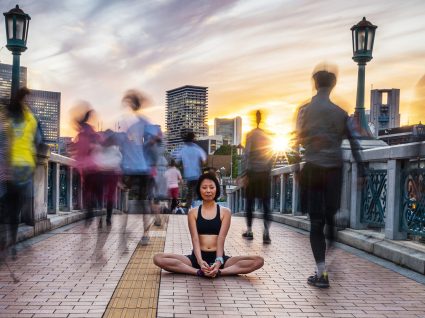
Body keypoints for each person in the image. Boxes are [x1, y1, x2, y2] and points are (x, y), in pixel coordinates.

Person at [295, 65, 364, 288]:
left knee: (316, 223)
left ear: (315, 84)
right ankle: (331, 249)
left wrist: (297, 169)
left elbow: (296, 141)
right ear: (333, 85)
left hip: (314, 168)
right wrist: (361, 171)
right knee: (329, 217)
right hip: (335, 169)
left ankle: (321, 272)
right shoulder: (341, 113)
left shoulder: (304, 111)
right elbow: (354, 142)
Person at [153, 172, 264, 277]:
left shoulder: (225, 212)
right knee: (158, 258)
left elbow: (221, 238)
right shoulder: (193, 213)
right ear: (199, 190)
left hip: (219, 258)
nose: (208, 191)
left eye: (211, 187)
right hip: (197, 258)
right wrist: (200, 261)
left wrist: (219, 261)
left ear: (216, 189)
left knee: (258, 260)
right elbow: (195, 239)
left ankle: (220, 272)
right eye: (204, 187)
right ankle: (197, 272)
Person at [2, 88, 42, 257]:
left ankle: (5, 240)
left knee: (6, 205)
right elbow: (38, 140)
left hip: (8, 167)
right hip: (24, 168)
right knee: (15, 207)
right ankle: (12, 243)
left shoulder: (5, 117)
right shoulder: (31, 119)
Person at [241, 110, 273, 244]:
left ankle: (249, 230)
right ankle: (266, 233)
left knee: (249, 203)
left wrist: (244, 174)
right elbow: (271, 154)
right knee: (266, 204)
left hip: (253, 173)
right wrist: (268, 170)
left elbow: (247, 154)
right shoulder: (267, 135)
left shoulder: (250, 135)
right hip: (265, 173)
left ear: (255, 118)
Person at [175, 132, 207, 210]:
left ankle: (188, 207)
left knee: (190, 191)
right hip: (197, 173)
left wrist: (184, 164)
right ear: (193, 139)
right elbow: (204, 160)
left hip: (188, 175)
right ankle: (198, 207)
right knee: (198, 191)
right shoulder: (197, 148)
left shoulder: (183, 149)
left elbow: (177, 161)